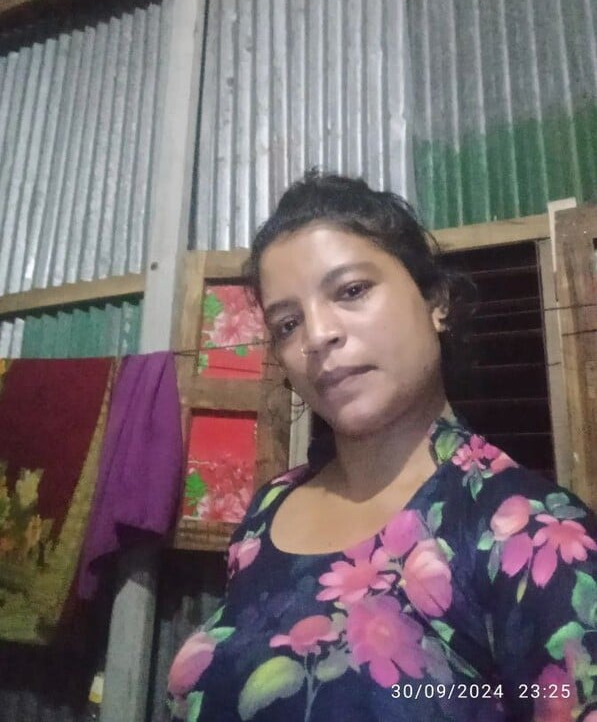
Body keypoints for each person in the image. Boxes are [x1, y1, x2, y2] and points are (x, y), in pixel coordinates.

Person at [168, 171, 597, 722]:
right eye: (287, 323)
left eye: (351, 291)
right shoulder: (268, 509)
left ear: (435, 301)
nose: (317, 335)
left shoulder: (531, 535)